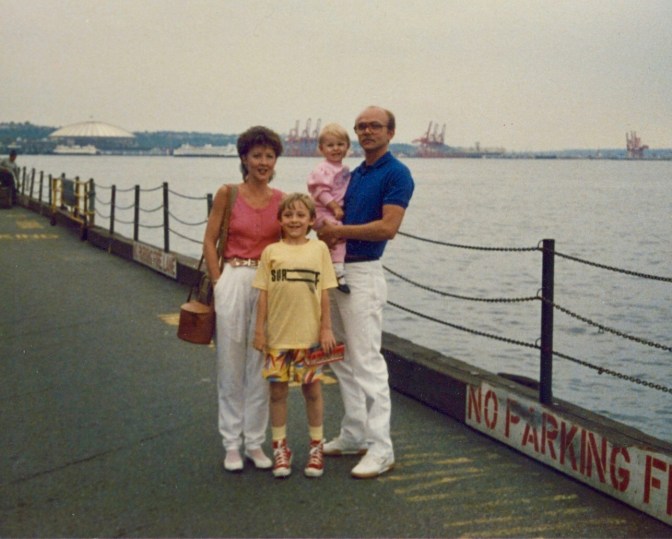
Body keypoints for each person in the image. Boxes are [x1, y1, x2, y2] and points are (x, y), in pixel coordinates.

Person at [318, 106, 415, 479]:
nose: (366, 132)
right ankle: (354, 433)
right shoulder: (354, 174)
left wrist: (338, 233)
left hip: (363, 274)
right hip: (336, 271)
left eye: (374, 126)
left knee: (368, 361)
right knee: (340, 358)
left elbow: (388, 228)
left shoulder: (397, 174)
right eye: (361, 127)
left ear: (391, 132)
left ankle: (381, 447)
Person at [203, 126, 284, 473]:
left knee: (261, 365)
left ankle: (255, 441)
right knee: (230, 364)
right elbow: (209, 240)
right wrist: (219, 282)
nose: (263, 162)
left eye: (269, 156)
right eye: (257, 155)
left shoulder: (282, 199)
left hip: (268, 284)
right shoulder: (228, 193)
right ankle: (231, 443)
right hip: (235, 277)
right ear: (244, 159)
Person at [252, 193, 338, 478]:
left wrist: (326, 328)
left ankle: (316, 446)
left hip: (309, 337)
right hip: (277, 338)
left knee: (312, 391)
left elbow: (325, 293)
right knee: (277, 393)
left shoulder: (319, 250)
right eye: (288, 215)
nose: (294, 220)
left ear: (312, 220)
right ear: (279, 220)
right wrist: (259, 329)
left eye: (301, 215)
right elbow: (263, 294)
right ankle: (280, 448)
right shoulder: (270, 252)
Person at [307, 123, 351, 293]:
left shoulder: (344, 169)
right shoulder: (322, 168)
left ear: (347, 146)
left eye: (340, 144)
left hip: (332, 211)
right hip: (323, 211)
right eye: (330, 145)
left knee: (335, 238)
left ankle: (327, 267)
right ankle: (338, 271)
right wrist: (335, 208)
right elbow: (319, 191)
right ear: (321, 149)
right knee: (337, 232)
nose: (336, 149)